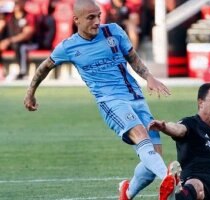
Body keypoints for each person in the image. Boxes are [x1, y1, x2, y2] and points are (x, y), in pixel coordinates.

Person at [23, 0, 171, 199]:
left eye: (99, 16)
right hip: (110, 101)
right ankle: (168, 178)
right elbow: (45, 67)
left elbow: (132, 57)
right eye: (91, 17)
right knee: (141, 134)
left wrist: (149, 77)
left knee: (155, 156)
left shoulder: (113, 31)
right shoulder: (68, 47)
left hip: (136, 96)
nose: (97, 21)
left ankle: (127, 192)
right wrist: (30, 93)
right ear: (76, 20)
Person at [0, 0, 38, 80]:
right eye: (14, 3)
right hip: (13, 43)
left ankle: (22, 72)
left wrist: (9, 41)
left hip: (31, 44)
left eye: (17, 2)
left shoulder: (29, 16)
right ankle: (1, 72)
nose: (15, 5)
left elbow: (26, 35)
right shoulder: (9, 17)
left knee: (21, 47)